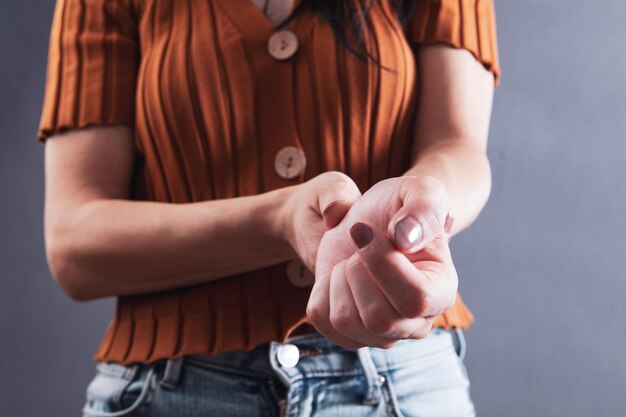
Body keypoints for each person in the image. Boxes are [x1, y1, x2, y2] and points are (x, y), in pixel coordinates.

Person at [37, 0, 500, 415]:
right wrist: (280, 220)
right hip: (168, 391)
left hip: (403, 384)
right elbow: (74, 244)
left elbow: (456, 147)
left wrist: (419, 209)